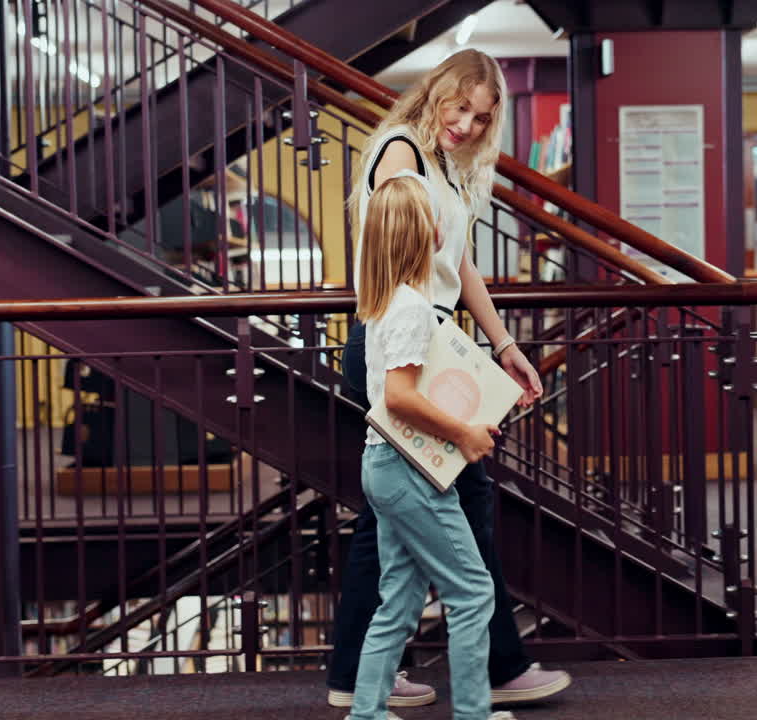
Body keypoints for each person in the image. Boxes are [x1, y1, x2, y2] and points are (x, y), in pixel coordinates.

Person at [327, 48, 571, 710]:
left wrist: (503, 345)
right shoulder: (402, 150)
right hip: (404, 341)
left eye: (481, 116)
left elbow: (459, 266)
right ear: (436, 92)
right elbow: (400, 246)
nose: (466, 124)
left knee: (398, 525)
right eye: (459, 106)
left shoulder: (445, 165)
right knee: (454, 504)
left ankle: (364, 681)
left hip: (430, 339)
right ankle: (488, 672)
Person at [348, 173, 512, 720]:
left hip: (382, 465)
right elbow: (399, 398)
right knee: (473, 591)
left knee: (398, 599)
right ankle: (473, 714)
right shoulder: (414, 308)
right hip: (407, 469)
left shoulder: (383, 305)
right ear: (427, 232)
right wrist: (464, 432)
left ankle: (366, 712)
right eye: (437, 214)